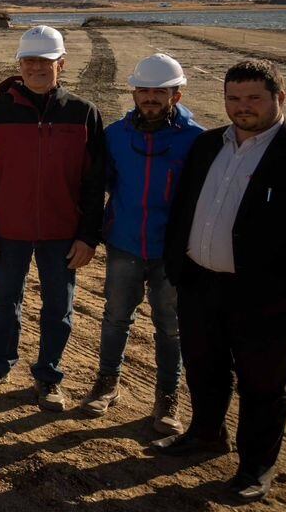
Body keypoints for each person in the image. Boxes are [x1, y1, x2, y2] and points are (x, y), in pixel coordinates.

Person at [155, 59, 286, 502]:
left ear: (279, 99)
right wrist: (178, 267)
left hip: (267, 297)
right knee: (205, 368)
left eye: (253, 98)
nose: (242, 107)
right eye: (234, 98)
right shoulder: (208, 145)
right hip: (200, 284)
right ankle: (205, 434)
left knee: (262, 384)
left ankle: (254, 468)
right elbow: (184, 208)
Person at [0, 26, 105, 410]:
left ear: (61, 64)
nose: (36, 68)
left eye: (45, 61)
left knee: (58, 306)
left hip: (62, 234)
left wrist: (88, 236)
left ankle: (48, 377)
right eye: (29, 61)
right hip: (8, 231)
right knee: (4, 300)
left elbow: (96, 184)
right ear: (19, 65)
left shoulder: (83, 114)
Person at [83, 53, 204, 432]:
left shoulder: (197, 140)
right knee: (116, 318)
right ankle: (107, 383)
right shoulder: (116, 136)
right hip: (125, 244)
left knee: (170, 327)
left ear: (177, 95)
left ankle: (167, 399)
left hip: (173, 252)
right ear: (134, 93)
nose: (150, 97)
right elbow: (98, 186)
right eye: (144, 90)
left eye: (160, 91)